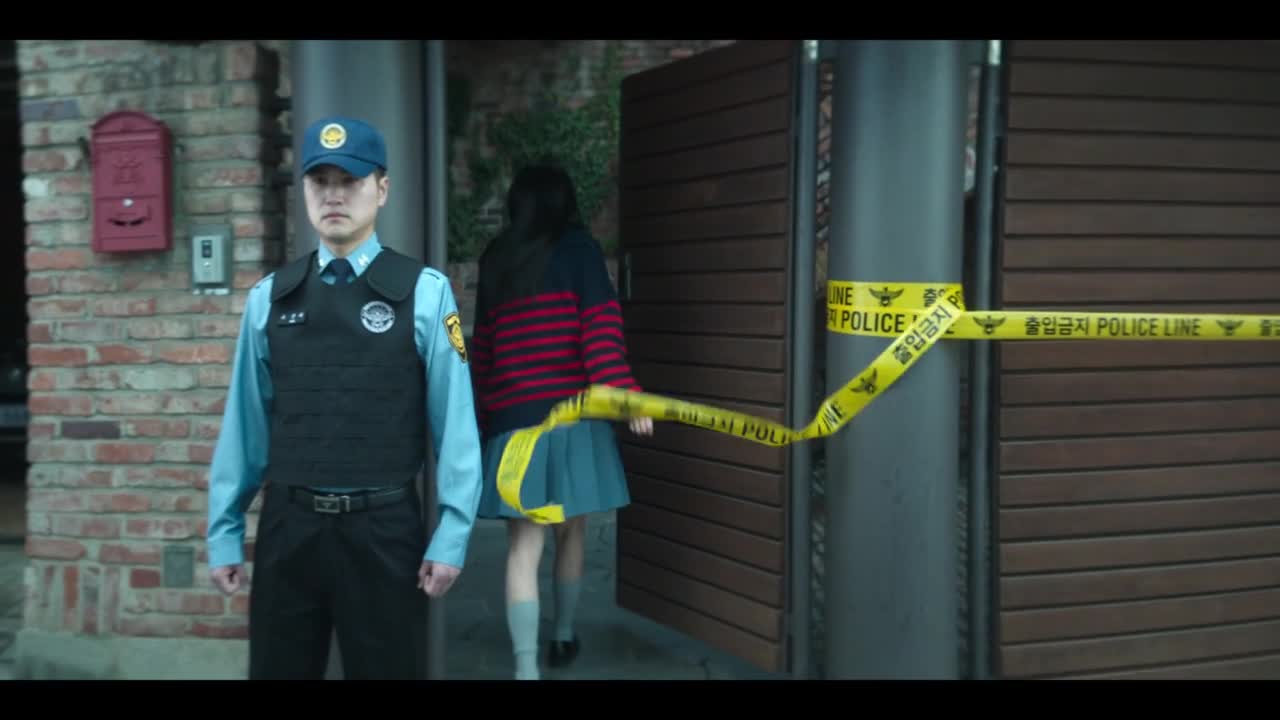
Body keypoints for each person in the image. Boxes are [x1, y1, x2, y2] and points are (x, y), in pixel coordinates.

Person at [204, 115, 484, 680]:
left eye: (349, 180)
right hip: (290, 529)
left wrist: (452, 535)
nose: (333, 195)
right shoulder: (270, 299)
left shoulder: (424, 294)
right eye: (319, 181)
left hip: (383, 531)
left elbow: (455, 427)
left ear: (382, 189)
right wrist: (224, 530)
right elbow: (245, 428)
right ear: (304, 192)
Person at [469, 162, 652, 680]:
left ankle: (525, 669)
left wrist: (482, 418)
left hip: (514, 422)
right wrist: (627, 398)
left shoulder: (496, 258)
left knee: (522, 548)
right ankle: (564, 636)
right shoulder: (580, 252)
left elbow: (483, 350)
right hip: (572, 422)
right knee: (571, 534)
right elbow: (600, 337)